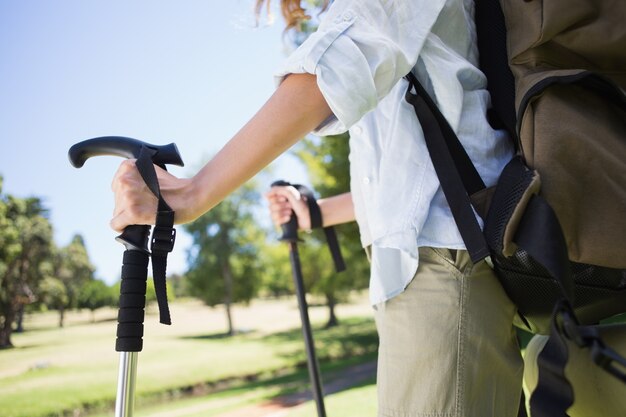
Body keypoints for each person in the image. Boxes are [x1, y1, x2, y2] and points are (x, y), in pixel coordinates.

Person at [111, 1, 523, 415]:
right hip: (422, 268)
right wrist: (318, 213)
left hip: (443, 269)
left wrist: (192, 193)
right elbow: (408, 180)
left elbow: (340, 65)